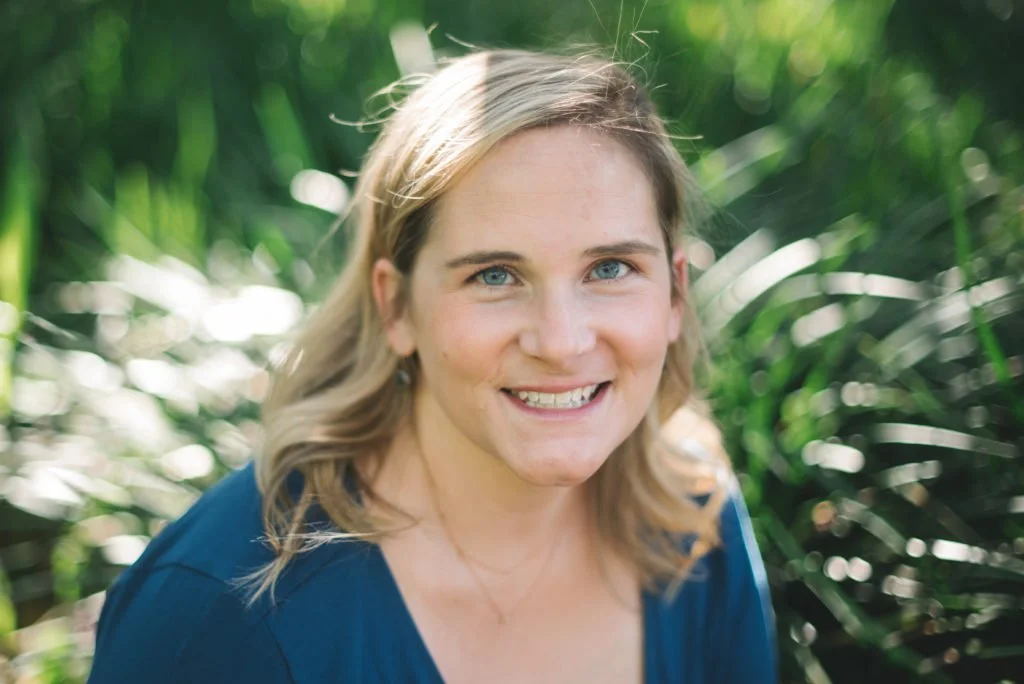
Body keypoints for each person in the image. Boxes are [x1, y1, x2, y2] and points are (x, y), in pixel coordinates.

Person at [88, 49, 778, 683]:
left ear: (674, 294)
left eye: (609, 267)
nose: (561, 342)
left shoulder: (695, 520)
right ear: (397, 308)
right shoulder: (220, 611)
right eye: (496, 276)